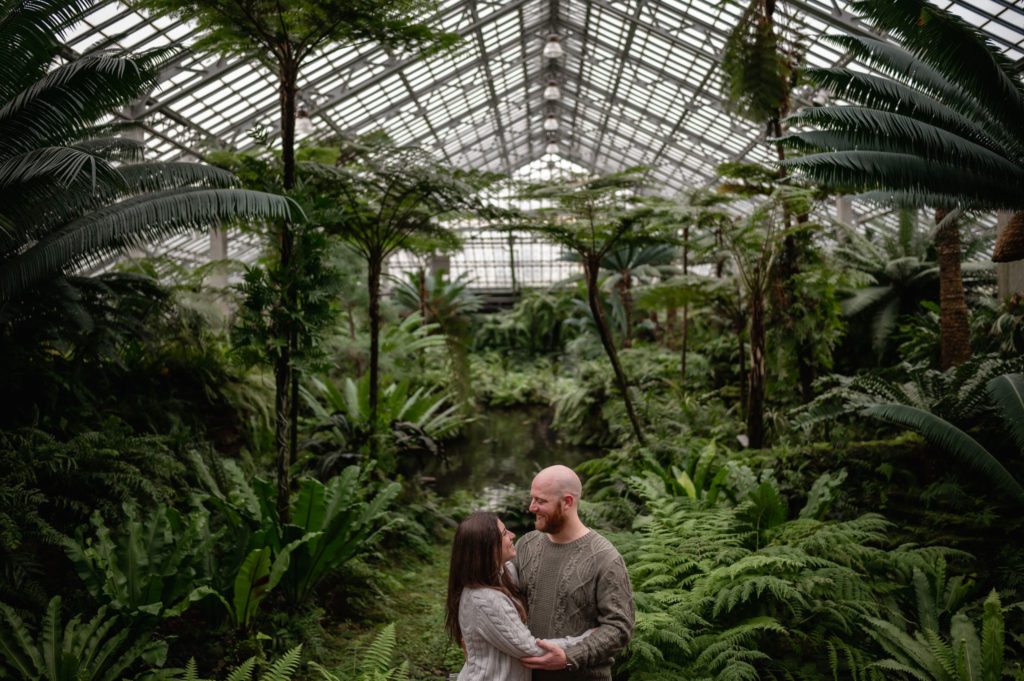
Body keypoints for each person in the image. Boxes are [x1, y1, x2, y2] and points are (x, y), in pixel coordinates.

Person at [513, 465, 634, 680]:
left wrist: (569, 657)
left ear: (567, 502)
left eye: (541, 501)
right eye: (532, 499)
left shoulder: (605, 558)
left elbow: (619, 627)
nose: (532, 508)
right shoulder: (526, 545)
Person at [445, 511, 592, 681]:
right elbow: (529, 649)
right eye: (504, 533)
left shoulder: (502, 573)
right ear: (488, 547)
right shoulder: (485, 599)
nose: (512, 535)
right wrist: (587, 639)